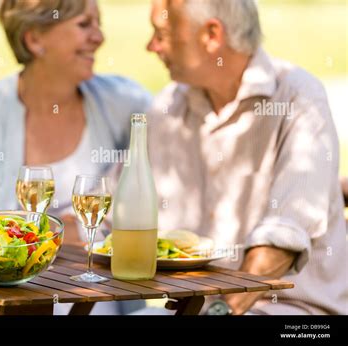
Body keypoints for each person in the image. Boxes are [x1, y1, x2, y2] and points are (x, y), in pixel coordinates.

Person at [0, 0, 151, 315]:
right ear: (35, 40)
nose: (100, 38)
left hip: (96, 305)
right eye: (84, 24)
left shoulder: (126, 104)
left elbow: (151, 203)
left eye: (98, 24)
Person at [145, 0, 347, 315]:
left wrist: (221, 309)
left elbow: (283, 241)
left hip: (294, 313)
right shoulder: (168, 107)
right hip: (196, 309)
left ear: (211, 35)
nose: (150, 46)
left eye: (162, 33)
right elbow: (114, 221)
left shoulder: (299, 98)